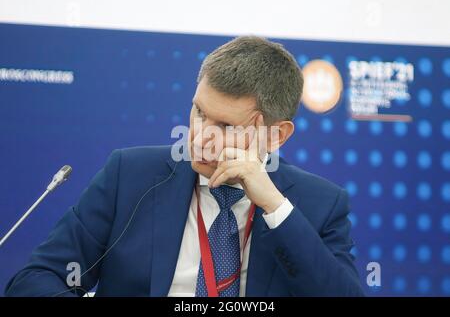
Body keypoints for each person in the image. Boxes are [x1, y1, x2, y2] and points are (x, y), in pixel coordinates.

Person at [5, 36, 364, 297]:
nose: (201, 136)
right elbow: (35, 279)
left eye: (225, 126)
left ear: (277, 135)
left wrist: (273, 205)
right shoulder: (130, 175)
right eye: (199, 112)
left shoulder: (318, 205)